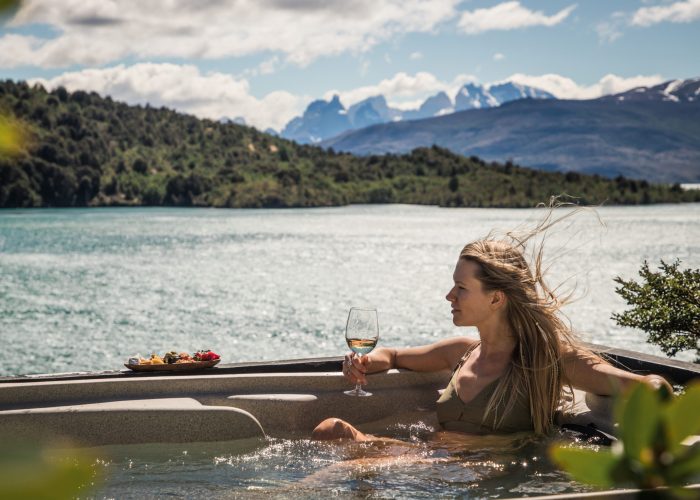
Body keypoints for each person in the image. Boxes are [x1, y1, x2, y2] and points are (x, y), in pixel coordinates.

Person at [313, 219, 671, 441]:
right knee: (331, 429)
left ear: (496, 299)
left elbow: (653, 388)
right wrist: (367, 362)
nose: (449, 295)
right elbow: (392, 355)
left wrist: (654, 396)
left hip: (480, 477)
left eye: (461, 288)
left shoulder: (547, 360)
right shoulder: (461, 352)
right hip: (436, 467)